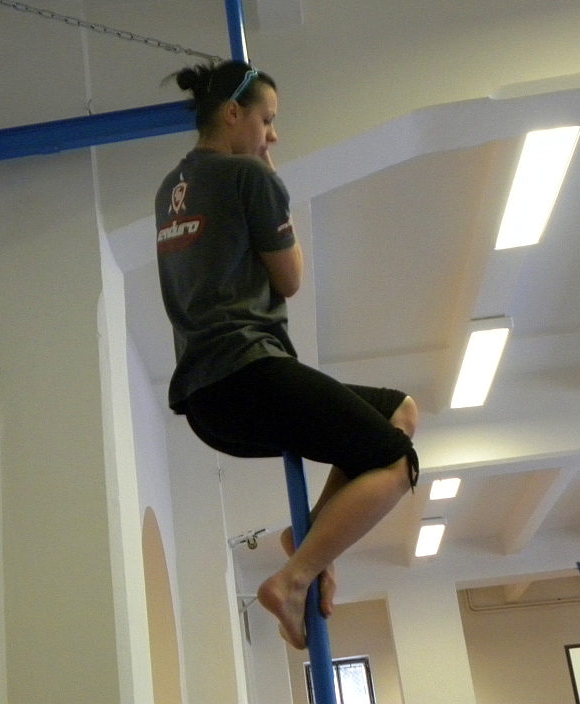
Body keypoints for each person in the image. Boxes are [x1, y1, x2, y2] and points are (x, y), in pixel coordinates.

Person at [154, 60, 420, 650]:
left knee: (397, 410)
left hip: (206, 397)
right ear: (233, 113)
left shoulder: (171, 188)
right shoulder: (249, 177)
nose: (273, 135)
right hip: (248, 373)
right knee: (398, 463)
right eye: (267, 120)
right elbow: (291, 278)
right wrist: (268, 175)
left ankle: (308, 543)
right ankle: (293, 578)